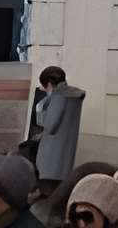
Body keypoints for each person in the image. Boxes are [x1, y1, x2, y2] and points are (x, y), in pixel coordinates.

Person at [27, 66, 85, 210]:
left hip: (51, 157)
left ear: (49, 84)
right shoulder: (74, 95)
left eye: (45, 87)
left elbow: (50, 125)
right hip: (65, 152)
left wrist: (41, 109)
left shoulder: (59, 97)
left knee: (47, 193)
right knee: (58, 192)